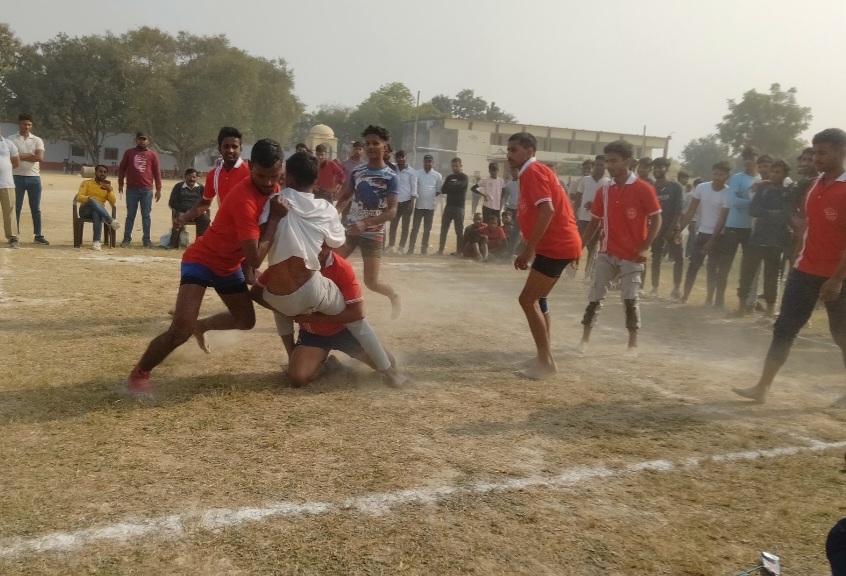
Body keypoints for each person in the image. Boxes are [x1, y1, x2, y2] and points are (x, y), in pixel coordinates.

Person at [125, 139, 287, 399]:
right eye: (261, 176)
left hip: (228, 265)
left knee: (246, 321)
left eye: (274, 176)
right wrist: (277, 219)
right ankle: (140, 373)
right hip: (202, 260)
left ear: (281, 170)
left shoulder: (274, 188)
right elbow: (256, 257)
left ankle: (202, 326)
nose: (268, 183)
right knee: (180, 331)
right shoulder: (243, 199)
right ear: (251, 167)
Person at [252, 152, 407, 387]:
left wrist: (297, 315)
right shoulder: (323, 209)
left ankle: (388, 369)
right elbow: (337, 241)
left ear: (288, 177)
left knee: (281, 300)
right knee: (297, 374)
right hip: (313, 326)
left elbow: (355, 315)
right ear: (316, 181)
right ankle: (380, 371)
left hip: (340, 329)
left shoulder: (275, 202)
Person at [733, 129, 846, 405]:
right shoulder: (811, 185)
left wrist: (836, 279)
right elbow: (803, 222)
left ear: (841, 152)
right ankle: (762, 387)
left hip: (838, 276)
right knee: (784, 329)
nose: (816, 157)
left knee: (841, 333)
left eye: (822, 152)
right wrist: (797, 258)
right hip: (805, 270)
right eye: (814, 151)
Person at [254, 244, 406, 388]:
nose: (320, 249)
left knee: (389, 363)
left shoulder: (342, 268)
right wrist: (291, 349)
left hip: (345, 332)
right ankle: (328, 366)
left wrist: (309, 318)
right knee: (298, 378)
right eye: (316, 243)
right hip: (313, 335)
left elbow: (357, 313)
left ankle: (332, 362)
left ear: (332, 244)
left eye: (325, 245)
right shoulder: (287, 265)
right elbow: (261, 295)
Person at [507, 132, 582, 379]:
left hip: (555, 246)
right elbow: (553, 209)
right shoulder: (535, 172)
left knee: (527, 300)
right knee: (539, 300)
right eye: (508, 150)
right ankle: (543, 356)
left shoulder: (534, 171)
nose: (509, 155)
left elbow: (547, 210)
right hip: (559, 245)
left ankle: (546, 362)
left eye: (514, 150)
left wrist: (529, 250)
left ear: (529, 150)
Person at [579, 140, 662, 357]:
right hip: (607, 252)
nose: (609, 165)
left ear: (629, 162)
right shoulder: (604, 190)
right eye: (607, 161)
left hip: (633, 255)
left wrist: (645, 247)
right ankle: (584, 340)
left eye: (614, 161)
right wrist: (579, 245)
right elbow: (594, 222)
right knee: (595, 297)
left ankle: (632, 345)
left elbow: (656, 219)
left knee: (630, 299)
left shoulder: (644, 188)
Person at [335, 125, 401, 318]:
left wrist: (366, 223)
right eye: (368, 143)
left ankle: (393, 296)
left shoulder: (391, 177)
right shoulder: (358, 172)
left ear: (385, 146)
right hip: (351, 231)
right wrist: (333, 214)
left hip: (373, 235)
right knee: (330, 266)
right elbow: (346, 196)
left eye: (376, 143)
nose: (371, 147)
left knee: (371, 283)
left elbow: (392, 211)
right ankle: (336, 309)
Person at [733, 159, 794, 319]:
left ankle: (768, 313)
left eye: (778, 172)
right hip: (757, 238)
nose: (774, 175)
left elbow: (784, 215)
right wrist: (771, 213)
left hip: (777, 241)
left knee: (771, 278)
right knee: (747, 274)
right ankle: (741, 308)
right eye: (772, 171)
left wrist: (766, 212)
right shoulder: (763, 188)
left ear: (786, 175)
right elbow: (753, 210)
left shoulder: (788, 192)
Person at [712, 147, 761, 308]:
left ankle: (747, 303)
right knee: (725, 265)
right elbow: (734, 202)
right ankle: (719, 300)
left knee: (748, 267)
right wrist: (754, 204)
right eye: (745, 158)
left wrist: (746, 202)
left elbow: (745, 203)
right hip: (733, 226)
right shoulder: (737, 178)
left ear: (757, 158)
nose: (747, 161)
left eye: (751, 157)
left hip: (751, 229)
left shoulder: (761, 179)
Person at [676, 162, 731, 304]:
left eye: (721, 174)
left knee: (712, 268)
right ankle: (685, 296)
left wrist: (712, 240)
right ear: (711, 173)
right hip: (702, 232)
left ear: (727, 176)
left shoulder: (727, 192)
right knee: (693, 265)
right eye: (715, 174)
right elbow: (691, 211)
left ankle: (709, 299)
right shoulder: (702, 188)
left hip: (719, 235)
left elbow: (722, 218)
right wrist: (680, 229)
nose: (717, 177)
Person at [10, 113, 48, 245]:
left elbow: (39, 158)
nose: (26, 127)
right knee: (16, 208)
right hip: (16, 177)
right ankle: (14, 235)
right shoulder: (11, 140)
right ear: (19, 124)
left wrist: (20, 156)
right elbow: (11, 158)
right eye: (24, 124)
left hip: (34, 178)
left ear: (32, 125)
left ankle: (38, 235)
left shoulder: (37, 140)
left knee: (35, 208)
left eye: (29, 124)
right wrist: (29, 154)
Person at [118, 131, 162, 248]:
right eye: (140, 139)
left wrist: (158, 189)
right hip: (132, 189)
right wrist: (120, 183)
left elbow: (157, 172)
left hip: (147, 189)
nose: (142, 141)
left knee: (146, 216)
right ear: (136, 140)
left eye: (144, 139)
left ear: (148, 141)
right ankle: (127, 239)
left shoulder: (152, 155)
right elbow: (122, 168)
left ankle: (146, 240)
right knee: (130, 215)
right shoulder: (129, 153)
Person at [648, 157, 684, 298]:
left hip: (673, 229)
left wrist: (672, 230)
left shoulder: (675, 187)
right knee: (656, 258)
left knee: (678, 258)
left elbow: (678, 210)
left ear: (666, 169)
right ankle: (655, 288)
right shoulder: (651, 188)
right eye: (655, 167)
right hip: (657, 229)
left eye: (660, 167)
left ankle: (676, 289)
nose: (657, 170)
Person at [573, 156, 609, 282]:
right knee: (577, 244)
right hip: (582, 218)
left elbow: (608, 203)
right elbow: (578, 196)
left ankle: (588, 274)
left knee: (593, 248)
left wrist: (595, 205)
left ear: (606, 166)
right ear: (594, 166)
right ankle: (571, 271)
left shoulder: (608, 183)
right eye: (597, 165)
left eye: (602, 165)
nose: (599, 167)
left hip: (597, 220)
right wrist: (574, 211)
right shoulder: (585, 180)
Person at [202, 127, 251, 209]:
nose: (230, 150)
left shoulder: (251, 172)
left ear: (240, 149)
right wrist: (184, 217)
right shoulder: (213, 175)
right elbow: (205, 202)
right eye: (226, 146)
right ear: (220, 149)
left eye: (234, 147)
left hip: (248, 221)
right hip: (224, 221)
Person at [75, 164, 121, 251]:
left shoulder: (107, 186)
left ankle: (96, 242)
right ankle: (110, 220)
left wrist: (110, 191)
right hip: (85, 210)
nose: (102, 174)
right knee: (92, 201)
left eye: (105, 172)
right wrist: (89, 198)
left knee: (97, 213)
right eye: (100, 171)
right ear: (95, 173)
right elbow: (79, 197)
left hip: (99, 212)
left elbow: (113, 202)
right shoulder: (87, 183)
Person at [408, 154, 442, 255]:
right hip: (418, 206)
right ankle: (411, 249)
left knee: (427, 229)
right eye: (426, 161)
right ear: (423, 162)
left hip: (430, 207)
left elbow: (438, 190)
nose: (428, 163)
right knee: (415, 229)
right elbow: (414, 187)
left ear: (433, 163)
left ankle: (424, 250)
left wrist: (428, 195)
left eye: (430, 161)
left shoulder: (437, 175)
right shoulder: (417, 173)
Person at [386, 149, 417, 254]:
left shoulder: (412, 172)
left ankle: (401, 247)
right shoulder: (394, 168)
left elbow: (414, 188)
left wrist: (412, 202)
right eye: (398, 158)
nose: (400, 159)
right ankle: (391, 246)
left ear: (406, 158)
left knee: (405, 225)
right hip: (395, 201)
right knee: (393, 224)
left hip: (407, 201)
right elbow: (386, 161)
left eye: (402, 157)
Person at [167, 168, 207, 249]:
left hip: (197, 212)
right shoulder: (178, 187)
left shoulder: (201, 187)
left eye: (194, 177)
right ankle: (173, 244)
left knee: (205, 220)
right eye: (189, 176)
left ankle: (200, 244)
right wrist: (186, 210)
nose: (192, 179)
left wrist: (201, 210)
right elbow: (172, 202)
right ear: (185, 177)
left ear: (196, 178)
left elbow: (205, 202)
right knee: (178, 219)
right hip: (182, 212)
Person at [437, 158, 469, 256]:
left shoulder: (464, 177)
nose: (455, 168)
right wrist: (453, 187)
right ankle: (440, 250)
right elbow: (444, 189)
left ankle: (459, 251)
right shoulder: (449, 177)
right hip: (449, 206)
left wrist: (451, 186)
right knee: (444, 229)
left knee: (458, 230)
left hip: (459, 207)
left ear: (461, 166)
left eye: (457, 166)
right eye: (453, 166)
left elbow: (460, 187)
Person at [0, 124, 20, 249]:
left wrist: (4, 170)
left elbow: (16, 162)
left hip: (6, 183)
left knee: (10, 212)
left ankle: (13, 238)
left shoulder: (8, 144)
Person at [502, 168, 521, 254]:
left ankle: (515, 249)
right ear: (511, 172)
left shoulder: (522, 183)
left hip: (519, 209)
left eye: (516, 171)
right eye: (513, 171)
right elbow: (505, 197)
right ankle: (508, 249)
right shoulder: (508, 184)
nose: (515, 172)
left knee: (518, 229)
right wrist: (506, 206)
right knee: (510, 229)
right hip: (510, 209)